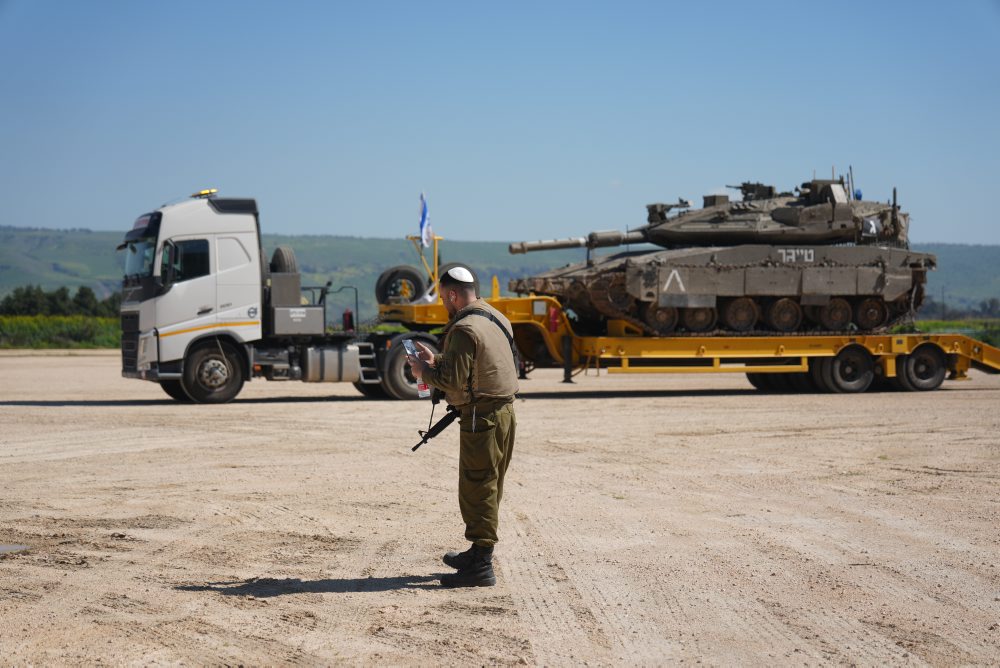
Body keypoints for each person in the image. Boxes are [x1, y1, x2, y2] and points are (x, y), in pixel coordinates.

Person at [407, 266, 519, 588]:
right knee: (489, 484)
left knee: (477, 487)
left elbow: (453, 380)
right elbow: (479, 365)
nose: (445, 304)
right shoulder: (497, 318)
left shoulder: (464, 328)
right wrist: (438, 360)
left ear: (453, 294)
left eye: (444, 298)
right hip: (504, 413)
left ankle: (480, 566)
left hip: (480, 418)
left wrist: (423, 372)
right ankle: (477, 552)